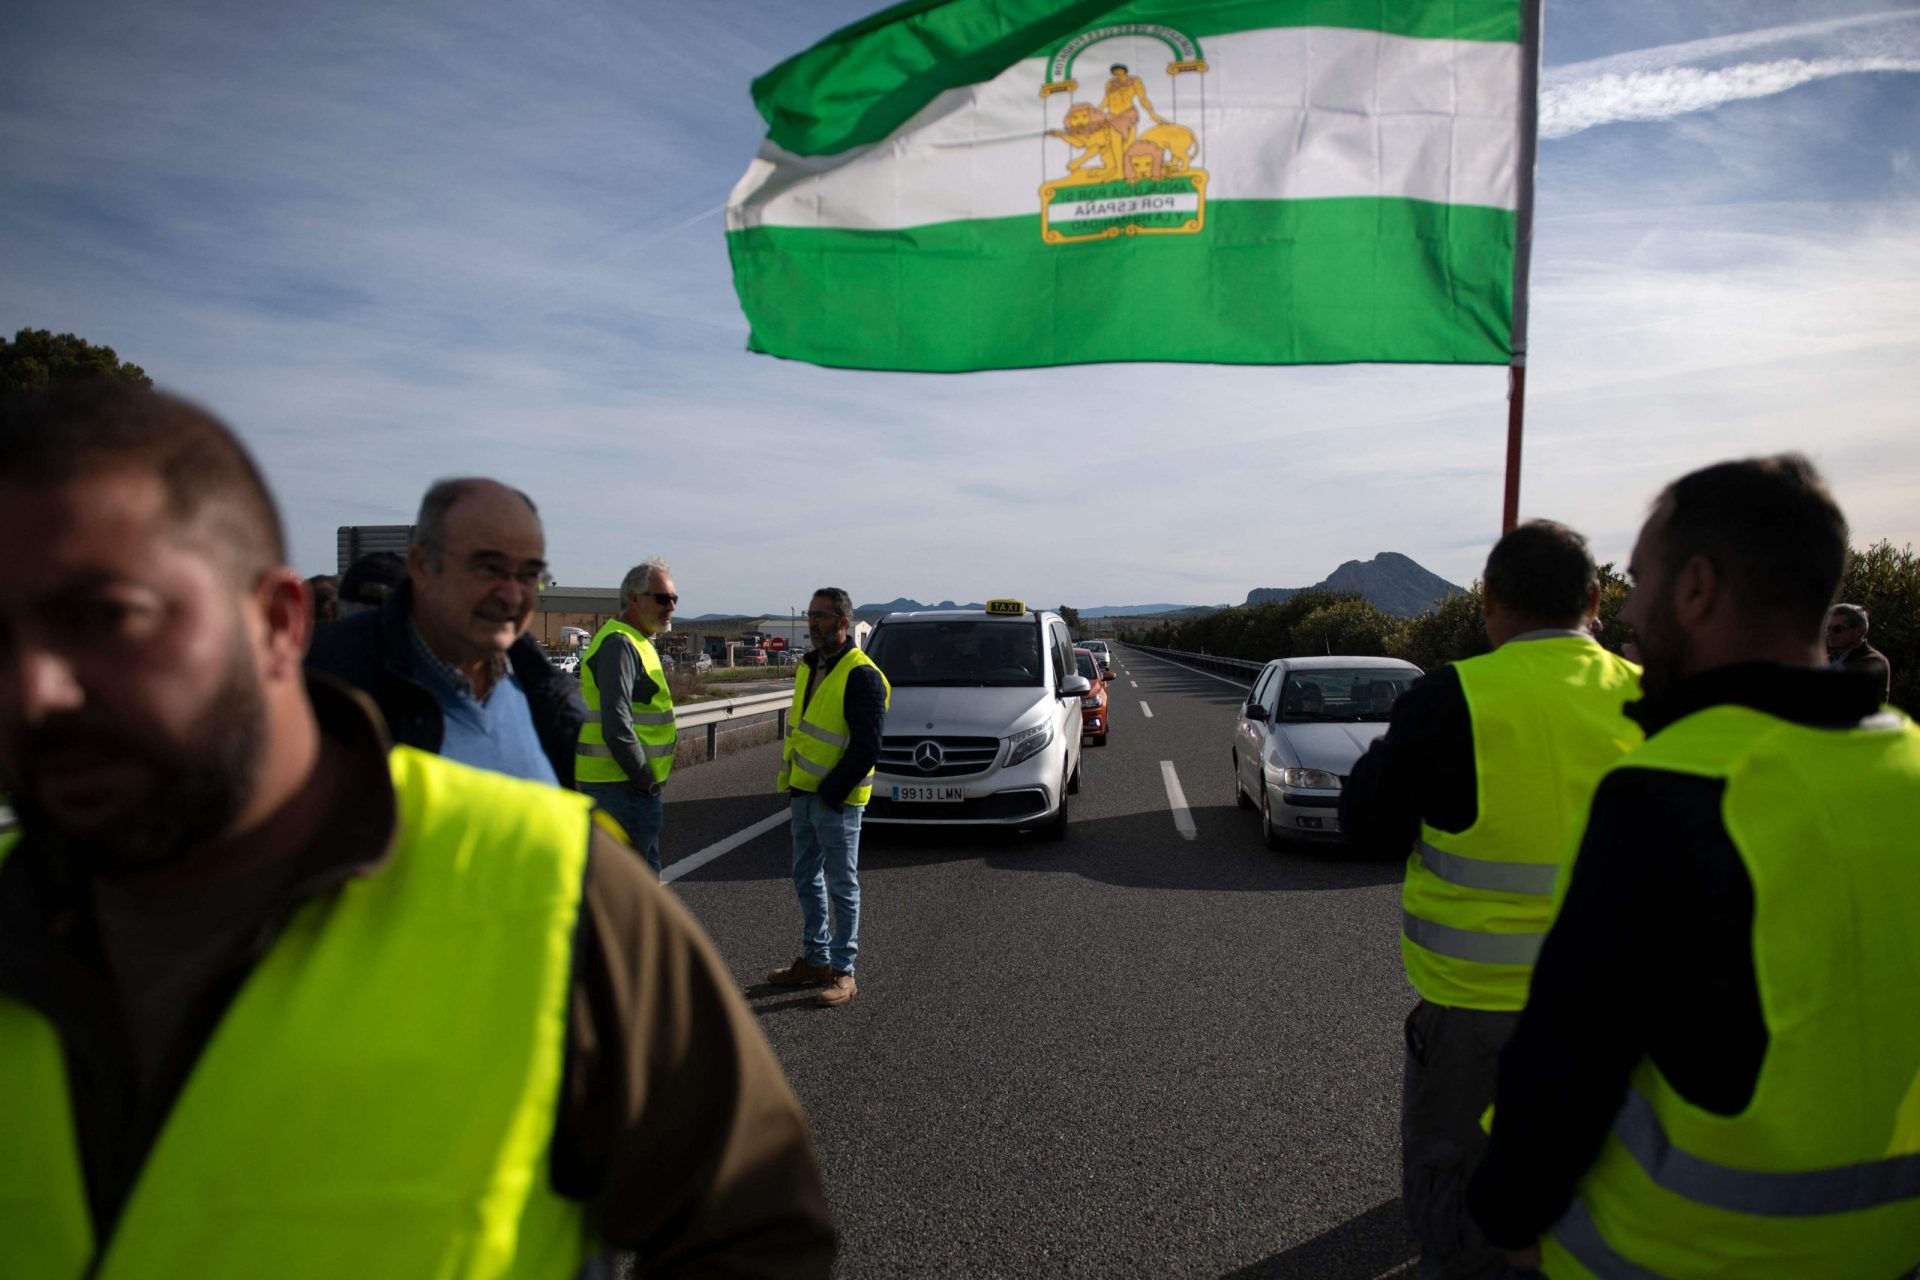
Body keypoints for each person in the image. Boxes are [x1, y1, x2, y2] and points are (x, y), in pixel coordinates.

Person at [0, 383, 834, 1276]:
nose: (32, 691)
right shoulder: (353, 680)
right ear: (424, 570)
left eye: (106, 620)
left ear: (274, 625)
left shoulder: (567, 878)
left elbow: (752, 1229)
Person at [1467, 457, 1920, 1278]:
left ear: (1699, 587)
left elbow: (1569, 1061)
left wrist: (1507, 1210)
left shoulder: (1673, 790)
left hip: (1678, 1254)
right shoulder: (1909, 762)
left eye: (1641, 578)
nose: (1630, 609)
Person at [1340, 519, 1644, 1280]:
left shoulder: (1451, 698)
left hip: (1479, 1032)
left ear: (1487, 602)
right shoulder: (1655, 698)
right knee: (1609, 1217)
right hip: (1628, 1019)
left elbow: (1366, 822)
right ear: (1596, 599)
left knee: (1473, 1229)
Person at [308, 478, 585, 786]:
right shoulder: (322, 685)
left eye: (529, 574)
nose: (512, 595)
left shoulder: (547, 694)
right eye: (490, 568)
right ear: (422, 565)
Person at [768, 588, 889, 1008]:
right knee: (806, 879)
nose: (812, 623)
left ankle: (844, 971)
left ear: (843, 623)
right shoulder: (808, 665)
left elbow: (867, 746)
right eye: (810, 615)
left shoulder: (862, 674)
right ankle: (816, 960)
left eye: (820, 616)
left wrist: (831, 793)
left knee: (842, 885)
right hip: (802, 792)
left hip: (837, 800)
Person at [575, 559, 679, 873]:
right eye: (662, 598)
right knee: (626, 895)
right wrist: (645, 781)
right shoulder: (620, 643)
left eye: (674, 599)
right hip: (621, 788)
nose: (670, 606)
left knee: (642, 891)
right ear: (633, 598)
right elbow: (617, 723)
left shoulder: (638, 642)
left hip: (626, 787)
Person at [1827, 602, 1891, 700]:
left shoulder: (1872, 661)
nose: (1830, 633)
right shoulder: (1828, 659)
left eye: (1837, 629)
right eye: (1828, 629)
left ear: (1859, 631)